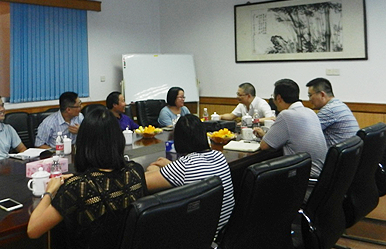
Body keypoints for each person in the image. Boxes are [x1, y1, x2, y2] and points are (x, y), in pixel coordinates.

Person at [27, 105, 147, 249]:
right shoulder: (135, 170)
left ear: (83, 143)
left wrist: (49, 192)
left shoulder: (78, 187)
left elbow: (33, 230)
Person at [145, 113, 235, 238]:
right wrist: (171, 166)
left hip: (200, 237)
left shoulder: (184, 166)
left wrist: (154, 168)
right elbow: (194, 169)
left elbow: (143, 182)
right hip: (224, 230)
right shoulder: (219, 156)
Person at [253, 79, 327, 179]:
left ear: (278, 98)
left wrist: (264, 136)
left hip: (304, 179)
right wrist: (265, 135)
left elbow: (264, 146)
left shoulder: (286, 115)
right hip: (320, 176)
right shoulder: (310, 112)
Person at [306, 78, 360, 147]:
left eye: (310, 95)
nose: (309, 99)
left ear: (322, 94)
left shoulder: (330, 110)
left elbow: (306, 133)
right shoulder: (339, 105)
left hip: (336, 152)